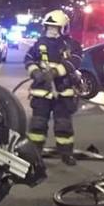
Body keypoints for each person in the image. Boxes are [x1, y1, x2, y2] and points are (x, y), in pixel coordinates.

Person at [25, 9, 81, 166]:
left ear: (63, 28)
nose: (51, 30)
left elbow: (74, 61)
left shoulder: (71, 45)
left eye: (55, 27)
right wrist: (35, 72)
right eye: (49, 27)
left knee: (63, 125)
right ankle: (35, 154)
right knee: (37, 125)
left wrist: (56, 72)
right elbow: (28, 59)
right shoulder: (39, 44)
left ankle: (66, 153)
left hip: (62, 92)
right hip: (41, 91)